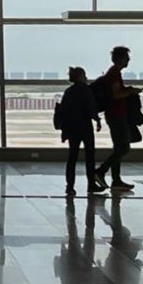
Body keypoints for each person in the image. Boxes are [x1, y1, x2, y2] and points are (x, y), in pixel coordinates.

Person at [95, 47, 142, 191]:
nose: (128, 60)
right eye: (127, 57)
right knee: (124, 147)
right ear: (120, 59)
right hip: (117, 115)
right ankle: (101, 171)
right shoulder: (114, 73)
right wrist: (131, 91)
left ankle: (116, 180)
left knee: (118, 147)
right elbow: (116, 95)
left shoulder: (113, 73)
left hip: (114, 114)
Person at [60, 66, 104, 195]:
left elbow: (63, 110)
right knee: (90, 156)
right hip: (85, 126)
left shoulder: (68, 91)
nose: (86, 78)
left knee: (72, 156)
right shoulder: (86, 90)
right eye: (84, 75)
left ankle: (70, 186)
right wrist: (97, 120)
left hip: (72, 127)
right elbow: (91, 108)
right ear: (80, 77)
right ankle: (91, 184)